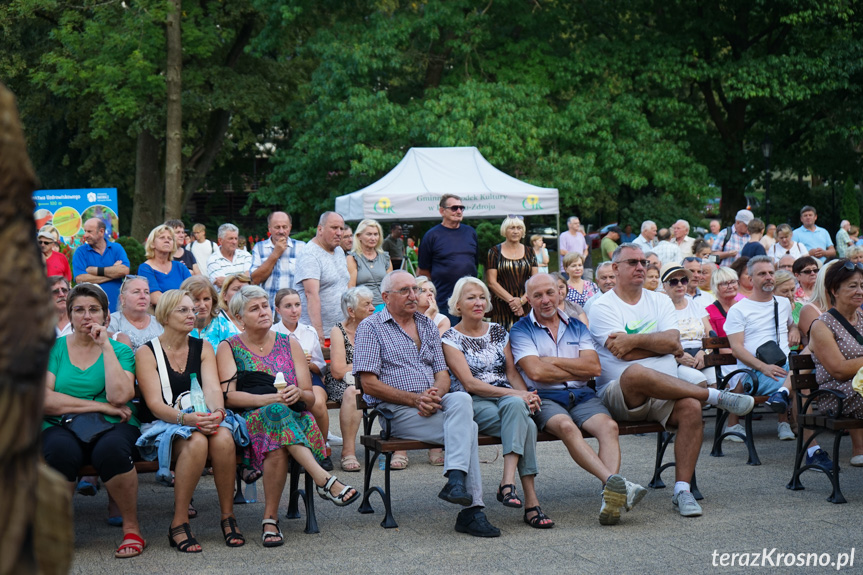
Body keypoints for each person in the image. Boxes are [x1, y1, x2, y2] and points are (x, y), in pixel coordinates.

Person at [587, 243, 756, 517]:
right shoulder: (601, 305)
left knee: (690, 407)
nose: (641, 267)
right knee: (636, 372)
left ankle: (682, 491)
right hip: (621, 394)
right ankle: (715, 396)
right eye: (633, 262)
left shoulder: (660, 300)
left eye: (644, 262)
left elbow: (673, 342)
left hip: (665, 389)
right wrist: (656, 344)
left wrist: (635, 341)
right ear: (615, 268)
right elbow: (622, 352)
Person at [353, 270, 500, 537]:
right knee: (470, 430)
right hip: (395, 412)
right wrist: (414, 399)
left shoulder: (427, 324)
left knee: (460, 398)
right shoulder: (370, 327)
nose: (414, 296)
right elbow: (369, 384)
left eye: (416, 289)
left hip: (432, 406)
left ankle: (456, 482)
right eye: (405, 291)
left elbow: (442, 374)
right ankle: (471, 509)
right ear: (386, 297)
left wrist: (434, 394)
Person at [217, 285, 359, 547]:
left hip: (290, 420)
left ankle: (271, 520)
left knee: (279, 436)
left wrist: (298, 394)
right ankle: (322, 480)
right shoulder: (229, 347)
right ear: (239, 318)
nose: (263, 312)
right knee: (275, 412)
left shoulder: (289, 343)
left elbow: (310, 396)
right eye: (254, 309)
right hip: (250, 421)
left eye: (264, 306)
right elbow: (230, 397)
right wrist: (270, 399)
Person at [511, 273, 645, 526]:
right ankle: (614, 485)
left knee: (609, 427)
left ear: (560, 293)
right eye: (537, 295)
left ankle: (610, 499)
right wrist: (574, 366)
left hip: (583, 395)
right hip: (546, 397)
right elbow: (536, 372)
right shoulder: (520, 330)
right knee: (566, 427)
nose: (545, 300)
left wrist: (552, 361)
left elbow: (594, 368)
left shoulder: (577, 326)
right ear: (528, 300)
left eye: (550, 293)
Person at [135, 290, 244, 552]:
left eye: (191, 310)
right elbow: (154, 405)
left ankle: (227, 516)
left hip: (202, 416)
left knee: (224, 437)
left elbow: (213, 389)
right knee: (196, 442)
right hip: (165, 422)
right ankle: (179, 521)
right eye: (182, 310)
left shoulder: (203, 347)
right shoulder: (147, 353)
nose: (191, 314)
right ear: (164, 316)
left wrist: (217, 413)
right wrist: (188, 419)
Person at [42, 283, 144, 558]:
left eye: (94, 310)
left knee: (111, 450)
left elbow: (120, 395)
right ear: (69, 314)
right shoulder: (56, 349)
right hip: (60, 424)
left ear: (106, 316)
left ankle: (131, 529)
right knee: (60, 451)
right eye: (79, 310)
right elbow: (44, 401)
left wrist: (105, 347)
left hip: (113, 426)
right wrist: (98, 406)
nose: (86, 316)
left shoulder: (120, 350)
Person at [443, 277, 553, 529]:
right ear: (457, 304)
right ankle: (531, 502)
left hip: (506, 400)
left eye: (482, 297)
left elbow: (512, 374)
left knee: (519, 411)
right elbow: (469, 384)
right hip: (474, 402)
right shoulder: (450, 338)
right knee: (528, 426)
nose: (479, 302)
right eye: (471, 297)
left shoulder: (498, 331)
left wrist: (529, 396)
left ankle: (508, 483)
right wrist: (519, 396)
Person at [724, 256, 799, 441]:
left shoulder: (782, 304)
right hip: (754, 372)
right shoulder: (739, 310)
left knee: (799, 371)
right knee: (797, 379)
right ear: (750, 279)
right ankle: (788, 424)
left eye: (771, 273)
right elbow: (737, 349)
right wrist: (762, 367)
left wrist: (795, 329)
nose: (768, 277)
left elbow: (791, 324)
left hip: (782, 366)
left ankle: (786, 422)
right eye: (762, 274)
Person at [808, 260, 863, 467]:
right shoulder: (822, 325)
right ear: (834, 290)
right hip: (838, 395)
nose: (859, 291)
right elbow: (838, 370)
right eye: (852, 286)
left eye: (862, 286)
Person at [271, 288, 333, 471]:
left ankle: (321, 449)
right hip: (282, 379)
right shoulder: (272, 332)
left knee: (318, 403)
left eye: (297, 305)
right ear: (277, 309)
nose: (294, 310)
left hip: (309, 375)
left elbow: (320, 367)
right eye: (288, 306)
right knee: (284, 403)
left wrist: (308, 363)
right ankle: (292, 452)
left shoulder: (308, 331)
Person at [325, 287, 376, 473]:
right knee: (353, 392)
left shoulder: (376, 327)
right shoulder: (338, 330)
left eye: (372, 303)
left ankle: (397, 449)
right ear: (351, 311)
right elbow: (338, 370)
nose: (373, 308)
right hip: (342, 383)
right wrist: (367, 367)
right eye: (367, 304)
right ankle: (348, 452)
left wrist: (356, 366)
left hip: (372, 380)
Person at [417, 194, 479, 320]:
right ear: (442, 211)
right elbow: (423, 272)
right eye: (454, 208)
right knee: (447, 336)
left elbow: (474, 263)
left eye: (462, 208)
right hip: (444, 299)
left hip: (469, 298)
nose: (459, 211)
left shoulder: (470, 232)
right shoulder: (432, 236)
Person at [296, 211, 350, 344]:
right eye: (334, 228)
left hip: (341, 329)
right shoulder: (310, 254)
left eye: (341, 229)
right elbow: (311, 295)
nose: (339, 233)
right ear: (320, 229)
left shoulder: (339, 250)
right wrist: (317, 332)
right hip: (320, 333)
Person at [660, 263, 715, 387]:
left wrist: (704, 353)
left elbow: (710, 335)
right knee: (700, 382)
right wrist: (678, 356)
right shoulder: (661, 309)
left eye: (683, 280)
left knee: (718, 383)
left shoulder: (697, 306)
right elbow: (659, 340)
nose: (680, 285)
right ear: (664, 285)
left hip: (701, 355)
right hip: (675, 359)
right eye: (673, 281)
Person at [486, 216, 537, 329]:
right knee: (502, 340)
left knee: (526, 338)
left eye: (519, 228)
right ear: (504, 230)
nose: (515, 231)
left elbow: (535, 281)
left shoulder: (530, 252)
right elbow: (491, 282)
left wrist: (521, 301)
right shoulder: (494, 252)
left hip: (526, 305)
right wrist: (513, 301)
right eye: (511, 228)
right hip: (501, 306)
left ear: (523, 231)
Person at [250, 211, 306, 312]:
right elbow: (255, 280)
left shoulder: (302, 247)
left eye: (285, 227)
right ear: (269, 228)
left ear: (290, 227)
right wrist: (276, 254)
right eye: (277, 227)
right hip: (267, 309)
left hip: (293, 311)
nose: (281, 231)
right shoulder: (259, 247)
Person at [72, 218, 131, 312]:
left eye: (89, 231)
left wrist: (96, 271)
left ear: (101, 231)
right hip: (92, 311)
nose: (85, 235)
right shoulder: (80, 252)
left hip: (117, 310)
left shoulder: (116, 248)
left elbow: (124, 271)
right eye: (85, 231)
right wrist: (113, 274)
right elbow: (80, 279)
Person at [138, 225, 192, 307]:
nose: (167, 240)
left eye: (170, 238)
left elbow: (193, 292)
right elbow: (156, 298)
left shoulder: (180, 267)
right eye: (162, 237)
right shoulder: (145, 268)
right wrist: (183, 302)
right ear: (152, 244)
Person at [182, 275, 240, 350]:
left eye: (206, 299)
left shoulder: (225, 327)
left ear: (213, 300)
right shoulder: (177, 327)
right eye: (196, 300)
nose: (202, 305)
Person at [108, 276, 164, 351]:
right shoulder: (111, 322)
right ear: (123, 299)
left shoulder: (159, 323)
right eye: (136, 292)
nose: (143, 296)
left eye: (146, 292)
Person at [347, 218, 393, 309]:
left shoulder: (385, 257)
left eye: (376, 234)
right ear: (359, 236)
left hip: (385, 306)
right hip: (363, 308)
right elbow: (350, 288)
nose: (373, 238)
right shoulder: (352, 258)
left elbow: (392, 285)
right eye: (369, 234)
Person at [207, 223, 252, 288]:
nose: (234, 242)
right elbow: (220, 284)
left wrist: (226, 280)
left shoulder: (246, 255)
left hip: (246, 297)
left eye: (236, 238)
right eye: (230, 239)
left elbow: (250, 278)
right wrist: (244, 279)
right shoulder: (212, 260)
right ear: (220, 241)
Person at [705, 267, 743, 338]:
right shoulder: (709, 312)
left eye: (733, 282)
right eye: (724, 283)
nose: (730, 286)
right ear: (715, 286)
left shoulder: (745, 307)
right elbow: (715, 344)